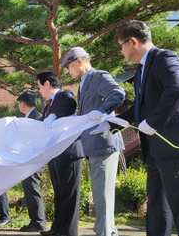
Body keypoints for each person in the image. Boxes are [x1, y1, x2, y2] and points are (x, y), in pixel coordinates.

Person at [115, 20, 179, 236]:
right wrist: (108, 121)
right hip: (153, 149)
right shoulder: (141, 69)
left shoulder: (165, 58)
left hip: (173, 146)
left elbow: (177, 89)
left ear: (133, 42)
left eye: (121, 46)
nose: (121, 52)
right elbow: (140, 108)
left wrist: (154, 121)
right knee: (156, 206)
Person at [62, 46, 125, 236]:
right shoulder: (84, 81)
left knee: (103, 196)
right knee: (100, 195)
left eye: (69, 66)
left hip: (103, 144)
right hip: (94, 145)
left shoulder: (97, 76)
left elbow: (118, 93)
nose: (67, 71)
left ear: (80, 61)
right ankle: (106, 231)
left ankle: (105, 233)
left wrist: (102, 111)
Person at [37, 72, 83, 236]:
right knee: (60, 192)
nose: (39, 90)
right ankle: (57, 228)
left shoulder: (65, 94)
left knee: (69, 193)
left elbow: (70, 105)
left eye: (40, 86)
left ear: (47, 84)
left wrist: (54, 115)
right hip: (55, 153)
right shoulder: (48, 105)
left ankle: (69, 232)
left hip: (69, 152)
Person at [16, 91, 46, 232]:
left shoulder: (36, 118)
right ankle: (35, 220)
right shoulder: (33, 116)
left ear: (22, 104)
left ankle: (38, 222)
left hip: (35, 159)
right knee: (30, 187)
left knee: (32, 187)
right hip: (30, 159)